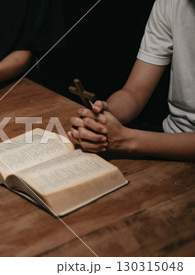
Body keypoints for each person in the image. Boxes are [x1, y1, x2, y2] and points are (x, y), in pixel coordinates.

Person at [68, 0, 195, 161]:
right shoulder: (170, 3)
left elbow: (128, 141)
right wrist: (105, 114)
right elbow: (135, 91)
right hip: (166, 143)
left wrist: (128, 140)